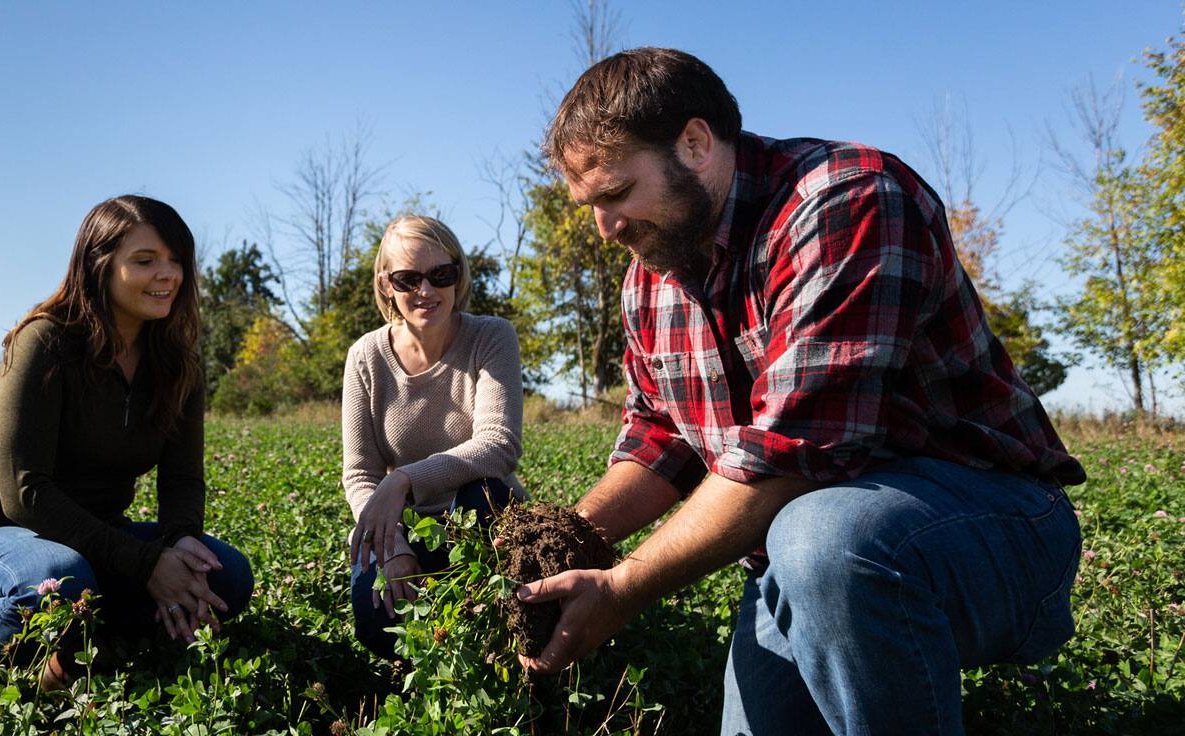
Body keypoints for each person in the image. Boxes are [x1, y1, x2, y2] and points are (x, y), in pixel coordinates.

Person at [513, 48, 1086, 735]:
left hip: (992, 525)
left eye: (615, 195)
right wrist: (562, 546)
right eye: (590, 205)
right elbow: (658, 440)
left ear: (695, 144)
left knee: (821, 536)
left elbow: (794, 455)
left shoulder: (845, 201)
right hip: (802, 555)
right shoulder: (652, 277)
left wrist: (623, 589)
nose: (604, 228)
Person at [0, 195, 254, 691]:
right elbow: (25, 493)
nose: (166, 275)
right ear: (99, 265)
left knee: (226, 574)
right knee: (60, 579)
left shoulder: (176, 362)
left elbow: (183, 477)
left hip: (95, 541)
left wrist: (180, 543)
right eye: (145, 261)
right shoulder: (44, 343)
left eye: (176, 261)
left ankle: (86, 647)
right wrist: (145, 564)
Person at [341, 214, 526, 659]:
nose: (426, 291)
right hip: (402, 523)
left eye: (441, 274)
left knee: (486, 494)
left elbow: (499, 444)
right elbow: (360, 473)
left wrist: (403, 479)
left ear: (458, 274)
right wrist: (395, 550)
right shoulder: (366, 356)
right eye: (409, 279)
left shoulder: (491, 336)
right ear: (387, 285)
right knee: (376, 622)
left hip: (481, 516)